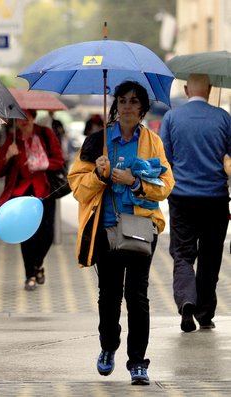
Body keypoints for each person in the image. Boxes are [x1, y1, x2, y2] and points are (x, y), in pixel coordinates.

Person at [67, 81, 174, 385]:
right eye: (123, 101)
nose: (128, 106)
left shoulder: (152, 142)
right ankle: (107, 347)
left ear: (142, 108)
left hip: (141, 227)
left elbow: (166, 186)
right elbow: (77, 187)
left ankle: (138, 361)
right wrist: (99, 175)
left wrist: (134, 182)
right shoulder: (97, 142)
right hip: (105, 228)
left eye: (134, 101)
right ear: (115, 105)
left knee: (138, 296)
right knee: (109, 295)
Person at [159, 73, 231, 332]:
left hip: (182, 198)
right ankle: (205, 313)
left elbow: (164, 158)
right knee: (211, 257)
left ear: (187, 89)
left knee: (182, 254)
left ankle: (186, 301)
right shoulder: (223, 117)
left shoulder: (172, 118)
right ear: (210, 89)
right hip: (216, 199)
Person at [0, 109, 66, 291]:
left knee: (47, 235)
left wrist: (40, 162)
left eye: (27, 117)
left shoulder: (45, 134)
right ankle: (30, 275)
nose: (23, 121)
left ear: (33, 116)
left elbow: (59, 160)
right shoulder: (12, 139)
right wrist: (8, 155)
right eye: (19, 118)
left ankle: (38, 263)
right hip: (21, 195)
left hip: (44, 192)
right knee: (26, 237)